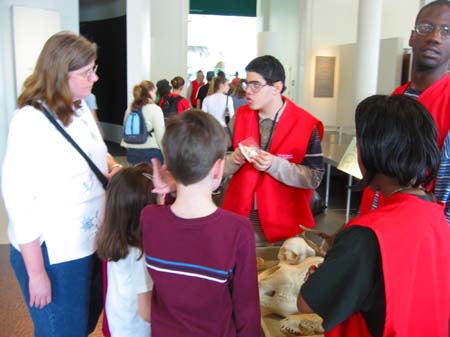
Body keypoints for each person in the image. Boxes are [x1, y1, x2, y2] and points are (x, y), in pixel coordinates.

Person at [1, 31, 123, 337]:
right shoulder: (29, 121)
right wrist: (36, 272)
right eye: (86, 72)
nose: (94, 78)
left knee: (81, 325)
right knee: (61, 330)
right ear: (59, 74)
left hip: (89, 244)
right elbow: (19, 202)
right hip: (54, 255)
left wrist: (115, 167)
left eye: (94, 69)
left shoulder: (79, 107)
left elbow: (98, 153)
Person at [297, 94, 450, 337]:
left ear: (372, 150)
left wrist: (321, 276)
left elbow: (306, 303)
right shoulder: (435, 213)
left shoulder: (366, 234)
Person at [141, 110, 260, 337]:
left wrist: (171, 187)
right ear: (218, 169)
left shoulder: (149, 218)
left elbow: (170, 221)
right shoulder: (237, 230)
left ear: (169, 166)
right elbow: (247, 311)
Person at [359, 0, 450, 219]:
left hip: (418, 227)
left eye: (446, 31)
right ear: (412, 37)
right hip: (376, 220)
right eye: (426, 28)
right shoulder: (397, 96)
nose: (434, 37)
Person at [221, 55, 324, 245]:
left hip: (286, 221)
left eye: (255, 85)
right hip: (242, 216)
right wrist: (234, 159)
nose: (248, 92)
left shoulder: (305, 124)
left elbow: (315, 177)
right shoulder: (240, 117)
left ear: (277, 87)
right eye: (246, 84)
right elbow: (219, 167)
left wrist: (275, 165)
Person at [96, 164, 155, 337]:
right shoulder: (140, 254)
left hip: (119, 325)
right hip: (138, 331)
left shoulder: (115, 240)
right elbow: (146, 312)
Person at [120, 80, 165, 165]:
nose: (156, 95)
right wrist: (166, 157)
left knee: (134, 178)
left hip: (131, 152)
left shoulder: (130, 108)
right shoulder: (155, 109)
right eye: (155, 92)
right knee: (151, 178)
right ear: (150, 92)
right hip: (152, 153)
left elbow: (125, 130)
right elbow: (161, 136)